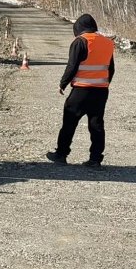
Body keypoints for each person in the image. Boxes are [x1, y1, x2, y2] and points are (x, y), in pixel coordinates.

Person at [46, 13, 115, 168]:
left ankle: (61, 154)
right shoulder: (108, 43)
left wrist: (63, 83)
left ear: (78, 28)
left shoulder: (80, 41)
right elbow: (111, 69)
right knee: (96, 125)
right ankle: (95, 159)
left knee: (69, 122)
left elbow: (72, 66)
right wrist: (104, 84)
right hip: (101, 91)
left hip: (81, 90)